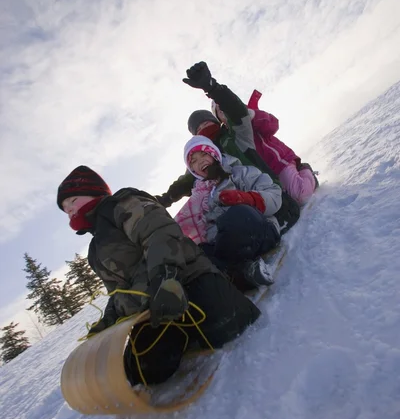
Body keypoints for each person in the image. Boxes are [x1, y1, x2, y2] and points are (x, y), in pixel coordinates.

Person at [57, 165, 261, 387]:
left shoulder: (121, 205)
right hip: (153, 309)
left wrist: (166, 278)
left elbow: (159, 232)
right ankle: (180, 334)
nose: (68, 209)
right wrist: (106, 323)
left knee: (228, 325)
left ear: (94, 192)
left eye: (72, 200)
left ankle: (239, 275)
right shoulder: (95, 250)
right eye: (65, 207)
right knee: (143, 372)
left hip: (186, 280)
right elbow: (118, 292)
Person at [156, 62, 300, 235]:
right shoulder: (199, 160)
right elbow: (184, 182)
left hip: (269, 198)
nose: (204, 126)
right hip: (230, 211)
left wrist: (213, 88)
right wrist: (164, 199)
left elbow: (238, 113)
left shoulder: (236, 138)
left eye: (207, 122)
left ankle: (272, 224)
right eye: (199, 127)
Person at [175, 136, 282, 288]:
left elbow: (275, 195)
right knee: (197, 253)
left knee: (235, 215)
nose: (200, 161)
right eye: (193, 161)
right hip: (227, 247)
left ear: (214, 154)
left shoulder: (239, 173)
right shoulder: (200, 197)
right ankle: (242, 274)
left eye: (204, 154)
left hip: (260, 230)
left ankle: (232, 271)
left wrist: (247, 198)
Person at [212, 89, 318, 205]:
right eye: (219, 110)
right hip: (263, 174)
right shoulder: (227, 139)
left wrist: (252, 115)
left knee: (300, 196)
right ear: (219, 119)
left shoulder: (248, 116)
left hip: (278, 162)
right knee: (282, 202)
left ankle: (305, 170)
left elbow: (273, 124)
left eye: (224, 105)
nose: (223, 109)